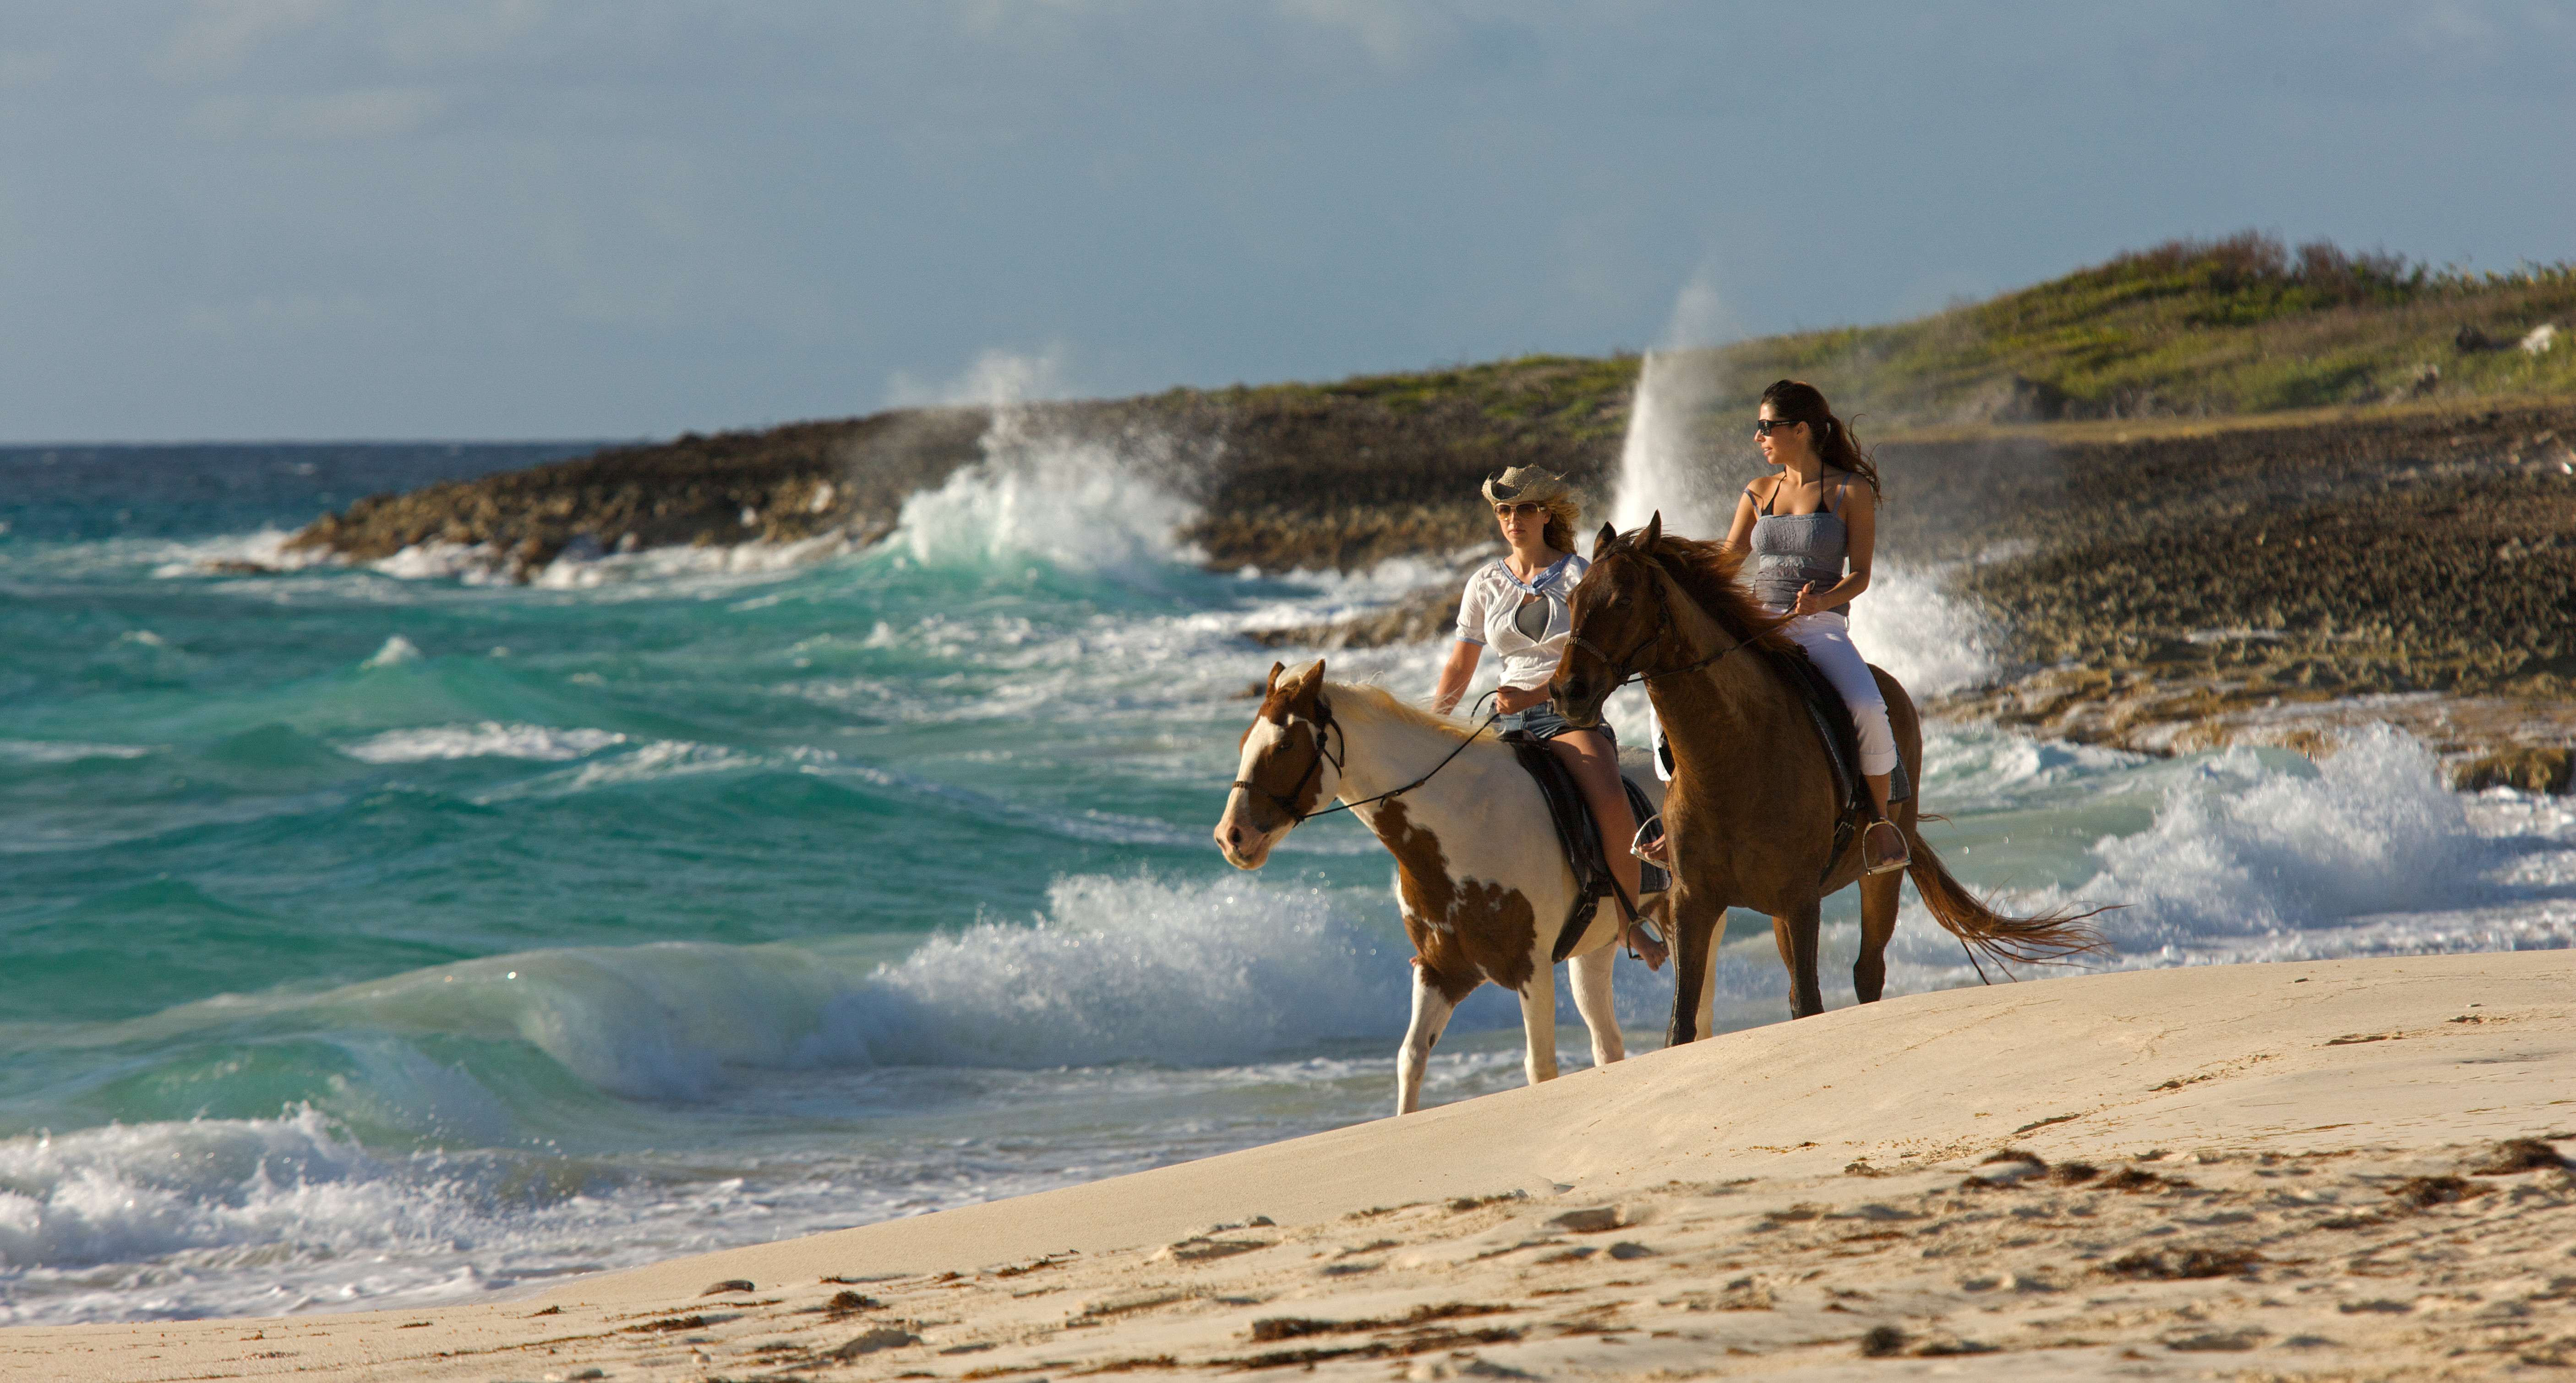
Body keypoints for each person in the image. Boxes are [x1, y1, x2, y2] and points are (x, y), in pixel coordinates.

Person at [1432, 467, 1660, 962]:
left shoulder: (1580, 574)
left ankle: (1628, 923)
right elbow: (1459, 664)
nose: (1513, 518)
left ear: (1545, 514)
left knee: (1609, 798)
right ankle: (1443, 929)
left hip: (1567, 713)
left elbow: (1588, 656)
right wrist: (1434, 724)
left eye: (1525, 508)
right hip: (1503, 721)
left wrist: (1533, 696)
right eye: (1504, 510)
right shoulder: (1484, 583)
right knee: (1443, 807)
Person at [1724, 379, 1908, 874]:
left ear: (1799, 430)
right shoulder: (1757, 492)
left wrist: (1823, 600)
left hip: (1819, 626)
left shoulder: (1851, 490)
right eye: (1757, 427)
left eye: (1767, 426)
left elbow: (1862, 574)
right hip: (1759, 626)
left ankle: (1878, 821)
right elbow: (1725, 562)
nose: (1758, 436)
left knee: (1868, 706)